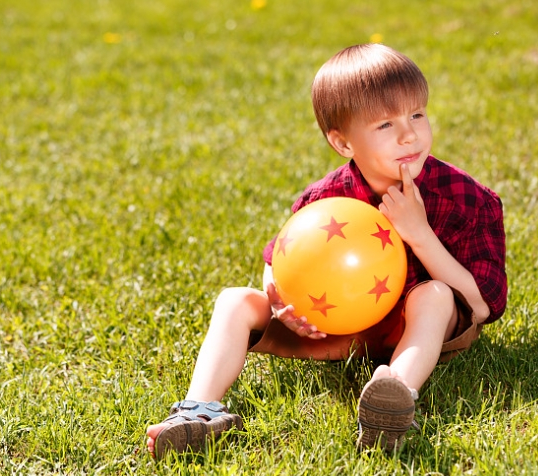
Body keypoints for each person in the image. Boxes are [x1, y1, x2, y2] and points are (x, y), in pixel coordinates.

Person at [146, 43, 507, 458]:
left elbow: (480, 308)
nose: (409, 134)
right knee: (234, 300)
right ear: (343, 143)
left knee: (434, 294)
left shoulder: (467, 197)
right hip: (338, 325)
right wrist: (283, 305)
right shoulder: (324, 200)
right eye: (385, 125)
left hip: (421, 329)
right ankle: (198, 412)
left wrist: (419, 234)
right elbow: (278, 263)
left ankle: (394, 397)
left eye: (417, 114)